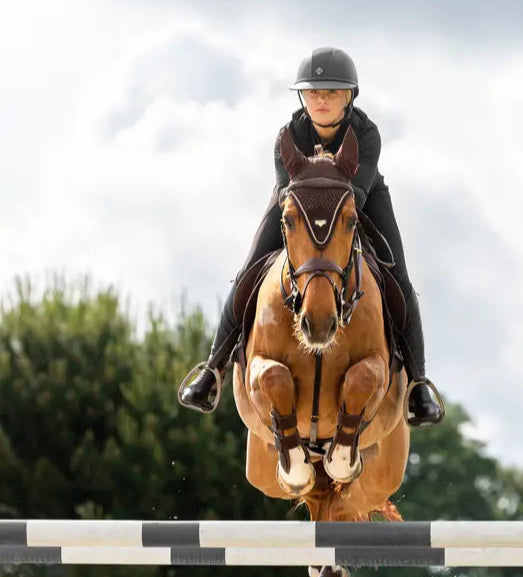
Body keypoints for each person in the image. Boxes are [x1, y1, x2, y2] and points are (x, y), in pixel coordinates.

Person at [179, 47, 442, 426]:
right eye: (313, 92)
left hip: (358, 201)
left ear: (349, 96)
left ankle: (418, 385)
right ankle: (213, 369)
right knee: (250, 267)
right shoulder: (288, 136)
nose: (321, 100)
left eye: (331, 92)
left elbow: (356, 193)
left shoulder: (366, 135)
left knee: (397, 273)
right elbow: (289, 194)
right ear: (302, 96)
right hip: (297, 205)